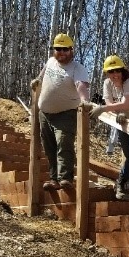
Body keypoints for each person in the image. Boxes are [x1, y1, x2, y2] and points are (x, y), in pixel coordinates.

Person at [31, 33, 89, 191]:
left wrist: (85, 100)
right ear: (53, 50)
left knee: (64, 143)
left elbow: (81, 85)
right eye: (58, 49)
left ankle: (65, 178)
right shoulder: (51, 61)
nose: (61, 52)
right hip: (45, 113)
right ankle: (53, 179)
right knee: (49, 147)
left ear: (71, 50)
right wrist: (37, 80)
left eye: (65, 49)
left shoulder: (77, 68)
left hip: (66, 113)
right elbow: (43, 74)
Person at [89, 55, 129, 201]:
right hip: (122, 123)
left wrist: (104, 108)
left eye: (117, 71)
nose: (115, 75)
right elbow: (109, 102)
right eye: (111, 72)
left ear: (122, 71)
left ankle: (120, 181)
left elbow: (126, 104)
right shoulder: (108, 83)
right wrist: (114, 111)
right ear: (107, 73)